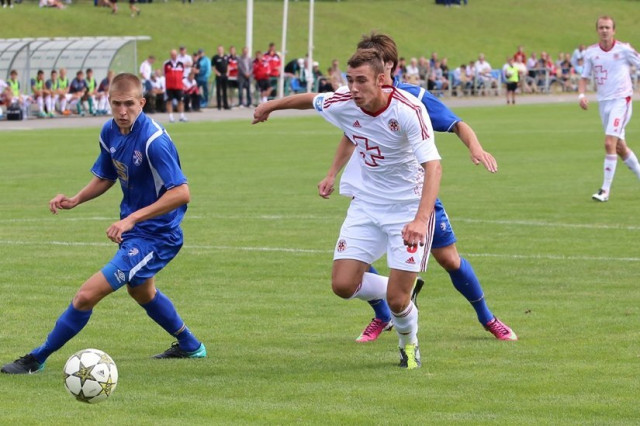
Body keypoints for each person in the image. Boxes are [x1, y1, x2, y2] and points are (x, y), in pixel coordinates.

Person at [0, 73, 206, 375]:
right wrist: (75, 199)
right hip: (137, 231)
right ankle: (190, 345)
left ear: (142, 102)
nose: (123, 111)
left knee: (86, 295)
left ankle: (36, 358)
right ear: (108, 102)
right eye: (116, 104)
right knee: (142, 292)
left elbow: (182, 192)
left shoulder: (154, 141)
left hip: (158, 235)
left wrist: (131, 219)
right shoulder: (110, 131)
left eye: (129, 104)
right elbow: (108, 175)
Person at [254, 48, 441, 370]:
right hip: (366, 205)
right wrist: (271, 105)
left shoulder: (408, 110)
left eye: (361, 81)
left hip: (406, 210)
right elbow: (310, 100)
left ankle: (409, 346)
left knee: (397, 302)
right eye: (350, 80)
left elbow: (433, 167)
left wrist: (421, 220)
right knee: (343, 286)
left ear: (381, 80)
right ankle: (403, 287)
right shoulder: (344, 101)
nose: (353, 88)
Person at [330, 32, 516, 344]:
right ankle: (383, 313)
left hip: (414, 197)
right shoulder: (357, 95)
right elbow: (350, 134)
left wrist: (476, 147)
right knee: (359, 253)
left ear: (388, 65)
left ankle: (488, 318)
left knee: (450, 260)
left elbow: (457, 123)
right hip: (372, 194)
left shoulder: (412, 97)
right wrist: (332, 173)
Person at [579, 15, 640, 202]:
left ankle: (605, 191)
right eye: (601, 27)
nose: (604, 30)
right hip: (604, 103)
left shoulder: (624, 49)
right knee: (619, 147)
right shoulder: (590, 53)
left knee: (608, 143)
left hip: (622, 100)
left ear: (614, 30)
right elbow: (584, 77)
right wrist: (581, 95)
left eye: (607, 27)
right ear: (597, 30)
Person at [164, 49, 187, 122]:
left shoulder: (181, 63)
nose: (174, 56)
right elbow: (164, 74)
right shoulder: (167, 64)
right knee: (169, 101)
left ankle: (182, 116)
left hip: (179, 86)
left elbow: (183, 74)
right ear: (170, 55)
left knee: (181, 101)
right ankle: (171, 117)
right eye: (172, 55)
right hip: (170, 86)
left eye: (175, 54)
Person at [212, 45, 230, 110]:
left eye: (221, 49)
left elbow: (228, 65)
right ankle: (219, 105)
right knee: (218, 91)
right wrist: (217, 73)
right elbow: (213, 67)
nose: (220, 50)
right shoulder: (215, 58)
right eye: (219, 49)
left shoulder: (226, 57)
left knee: (225, 90)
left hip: (225, 75)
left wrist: (228, 72)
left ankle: (226, 105)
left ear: (223, 50)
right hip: (219, 75)